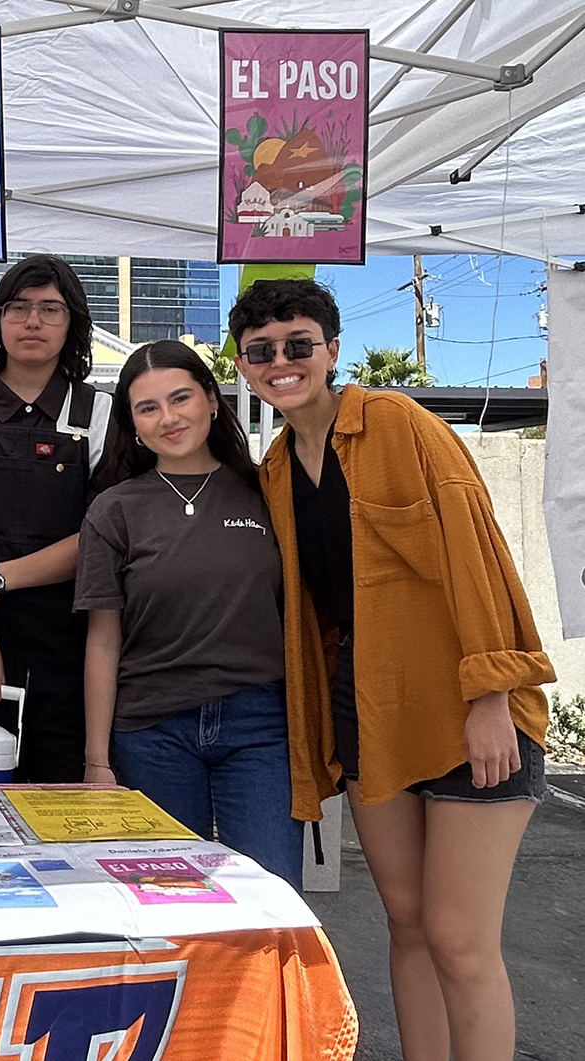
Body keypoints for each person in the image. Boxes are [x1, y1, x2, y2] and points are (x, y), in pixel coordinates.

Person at [229, 278, 554, 1061]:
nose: (283, 361)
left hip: (463, 700)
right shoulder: (275, 467)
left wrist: (490, 693)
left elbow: (476, 554)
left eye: (299, 344)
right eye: (262, 351)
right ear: (242, 366)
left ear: (331, 350)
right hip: (367, 706)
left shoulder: (397, 421)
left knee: (458, 937)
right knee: (406, 922)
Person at [74, 340, 302, 888]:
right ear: (131, 424)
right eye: (148, 408)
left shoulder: (268, 490)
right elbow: (103, 640)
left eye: (181, 398)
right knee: (170, 900)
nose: (168, 418)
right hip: (152, 731)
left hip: (262, 726)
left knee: (273, 897)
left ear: (212, 401)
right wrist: (97, 762)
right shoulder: (113, 510)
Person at [0, 254, 111, 782]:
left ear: (74, 324)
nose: (33, 321)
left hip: (66, 652)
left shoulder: (101, 415)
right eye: (18, 307)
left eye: (50, 309)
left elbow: (102, 537)